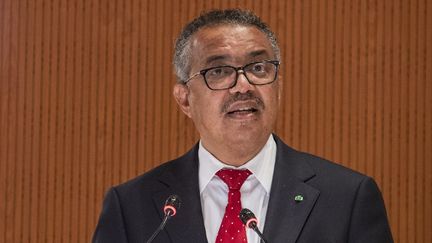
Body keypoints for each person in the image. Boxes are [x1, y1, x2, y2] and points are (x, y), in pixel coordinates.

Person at [92, 9, 393, 243]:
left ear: (279, 87)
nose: (243, 85)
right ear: (184, 100)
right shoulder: (132, 207)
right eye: (220, 71)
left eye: (258, 68)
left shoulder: (347, 198)